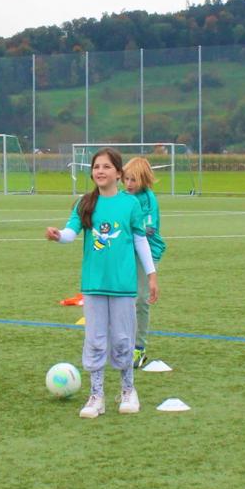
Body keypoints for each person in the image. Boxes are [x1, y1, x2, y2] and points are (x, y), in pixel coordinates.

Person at [46, 147, 158, 419]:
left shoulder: (130, 204)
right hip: (94, 285)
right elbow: (71, 233)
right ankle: (96, 395)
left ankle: (128, 390)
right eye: (96, 166)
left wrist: (152, 274)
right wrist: (58, 235)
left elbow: (141, 240)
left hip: (122, 285)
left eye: (107, 167)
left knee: (123, 339)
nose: (100, 171)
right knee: (95, 340)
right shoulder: (85, 203)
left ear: (118, 173)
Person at [122, 157, 166, 369]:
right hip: (126, 251)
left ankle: (139, 348)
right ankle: (122, 343)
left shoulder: (149, 200)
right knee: (122, 297)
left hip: (148, 251)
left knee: (140, 298)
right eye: (126, 179)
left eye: (134, 180)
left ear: (144, 180)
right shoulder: (122, 196)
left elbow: (146, 230)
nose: (129, 184)